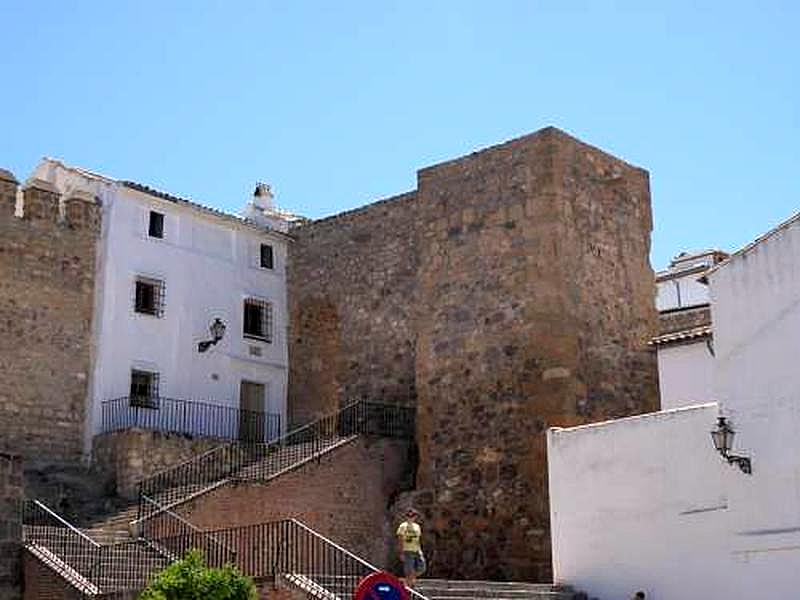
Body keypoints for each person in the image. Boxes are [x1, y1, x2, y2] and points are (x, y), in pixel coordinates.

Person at [396, 508, 426, 588]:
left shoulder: (417, 527)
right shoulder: (402, 526)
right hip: (407, 551)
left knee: (422, 568)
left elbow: (418, 539)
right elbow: (400, 539)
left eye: (413, 516)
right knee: (409, 569)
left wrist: (420, 550)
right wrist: (401, 552)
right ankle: (409, 585)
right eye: (409, 516)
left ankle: (409, 580)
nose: (411, 517)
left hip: (417, 550)